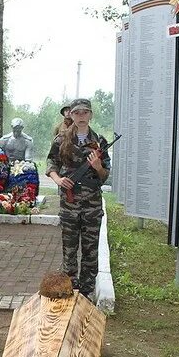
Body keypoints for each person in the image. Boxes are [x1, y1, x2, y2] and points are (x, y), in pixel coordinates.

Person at [45, 98, 110, 301]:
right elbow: (51, 163)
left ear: (90, 115)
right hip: (70, 204)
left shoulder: (99, 142)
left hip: (92, 204)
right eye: (77, 113)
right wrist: (58, 179)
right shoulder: (61, 139)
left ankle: (86, 293)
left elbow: (105, 175)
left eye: (85, 112)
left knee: (90, 251)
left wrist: (98, 166)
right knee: (69, 249)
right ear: (70, 115)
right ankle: (70, 290)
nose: (81, 116)